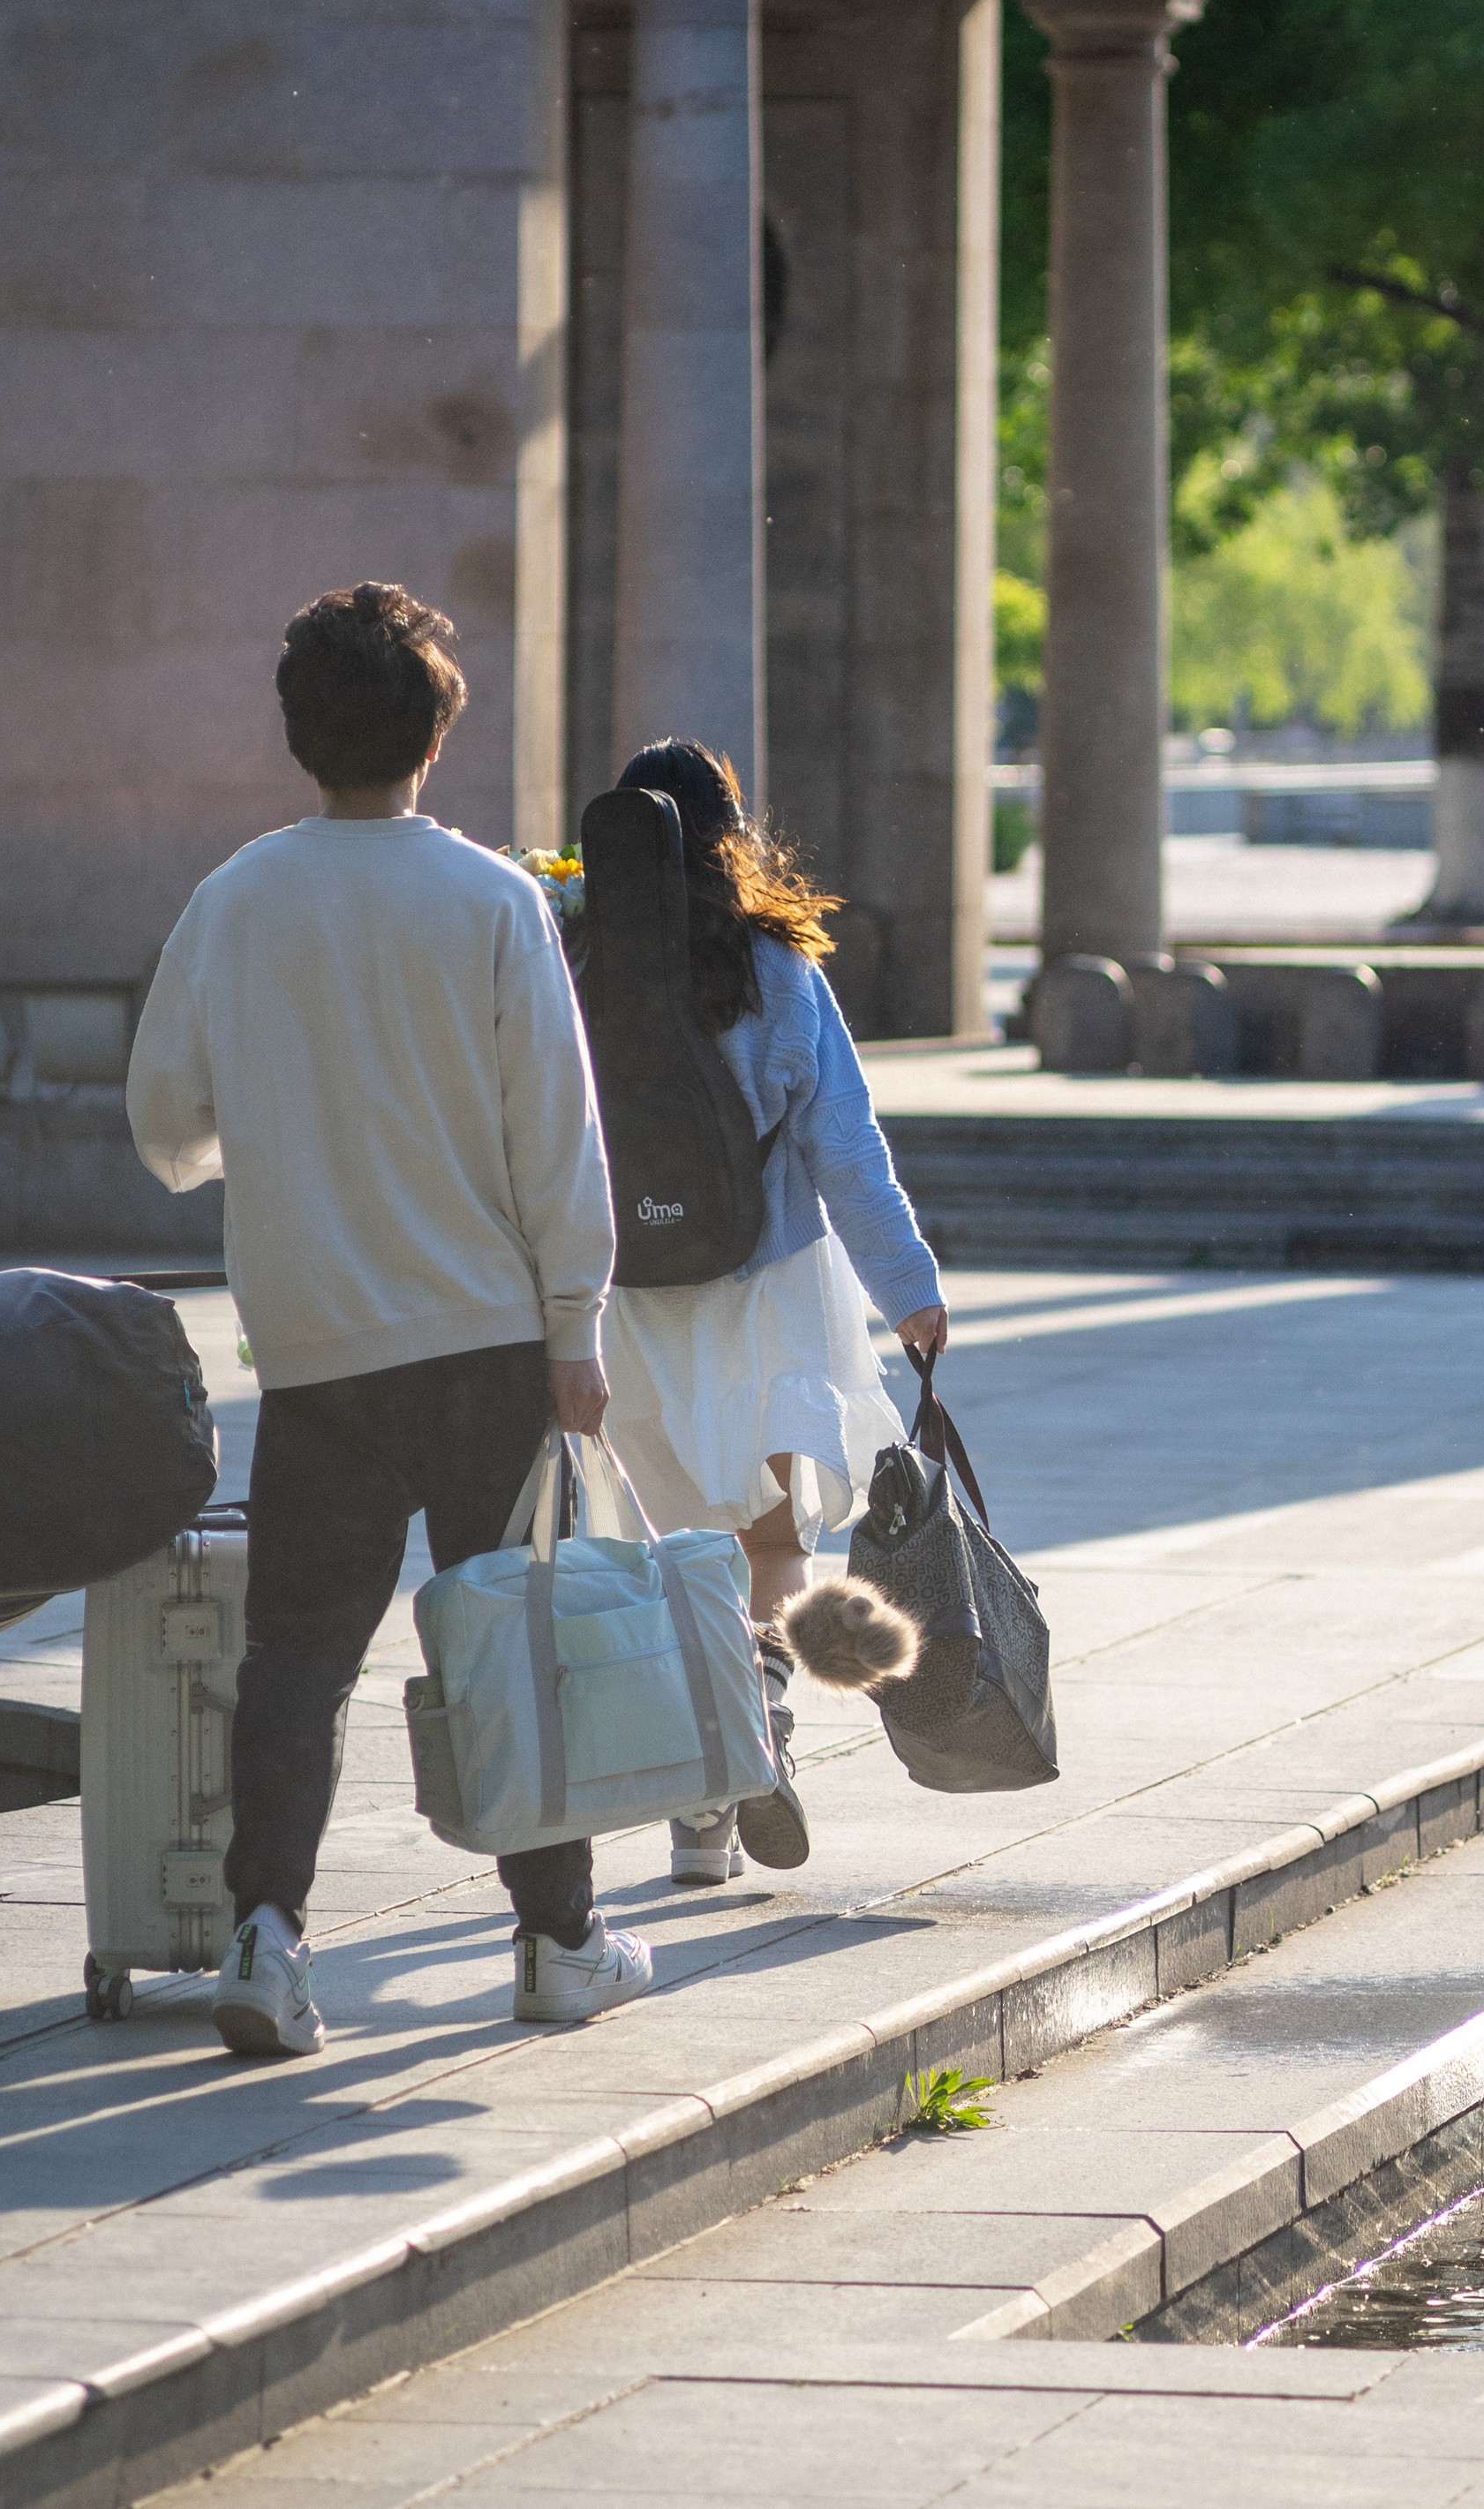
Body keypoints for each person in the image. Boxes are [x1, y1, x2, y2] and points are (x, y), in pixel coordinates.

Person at [127, 581, 650, 2054]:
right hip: (485, 1339)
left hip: (317, 1351)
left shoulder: (235, 896)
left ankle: (264, 1939)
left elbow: (164, 1121)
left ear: (301, 737)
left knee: (298, 1658)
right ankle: (557, 1942)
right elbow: (559, 1134)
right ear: (438, 731)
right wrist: (576, 1327)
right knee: (507, 1645)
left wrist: (271, 1140)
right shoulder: (492, 899)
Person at [589, 738, 945, 1886]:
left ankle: (703, 1815)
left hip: (631, 1303)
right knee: (775, 1544)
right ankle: (767, 1725)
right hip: (774, 1298)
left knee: (683, 1558)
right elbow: (848, 1151)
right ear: (729, 840)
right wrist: (911, 1292)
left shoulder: (570, 964)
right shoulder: (774, 972)